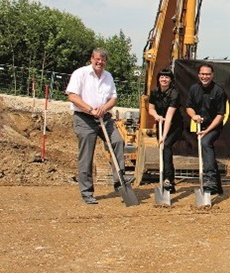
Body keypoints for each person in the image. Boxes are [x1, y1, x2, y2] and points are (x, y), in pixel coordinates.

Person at [65, 47, 131, 204]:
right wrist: (90, 109)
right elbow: (72, 96)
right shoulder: (80, 73)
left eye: (103, 60)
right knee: (87, 154)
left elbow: (113, 98)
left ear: (106, 62)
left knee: (118, 141)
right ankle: (87, 192)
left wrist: (103, 108)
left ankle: (119, 181)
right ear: (91, 59)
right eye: (97, 59)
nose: (100, 62)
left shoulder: (108, 76)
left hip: (105, 117)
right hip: (84, 118)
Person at [185, 62, 227, 195]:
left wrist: (207, 131)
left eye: (208, 74)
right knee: (206, 149)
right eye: (203, 74)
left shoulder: (219, 91)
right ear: (198, 75)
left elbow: (220, 115)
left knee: (205, 143)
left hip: (214, 126)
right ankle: (216, 185)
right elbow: (189, 107)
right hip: (200, 124)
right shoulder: (193, 89)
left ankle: (209, 179)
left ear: (212, 75)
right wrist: (194, 116)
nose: (205, 76)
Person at [147, 67, 183, 193]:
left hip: (174, 125)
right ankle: (167, 181)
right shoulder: (155, 92)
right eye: (162, 77)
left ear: (171, 80)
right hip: (160, 124)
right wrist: (156, 116)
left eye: (167, 77)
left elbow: (169, 117)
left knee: (166, 145)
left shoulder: (174, 94)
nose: (164, 79)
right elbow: (150, 108)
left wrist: (163, 136)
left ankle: (168, 179)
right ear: (158, 79)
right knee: (162, 150)